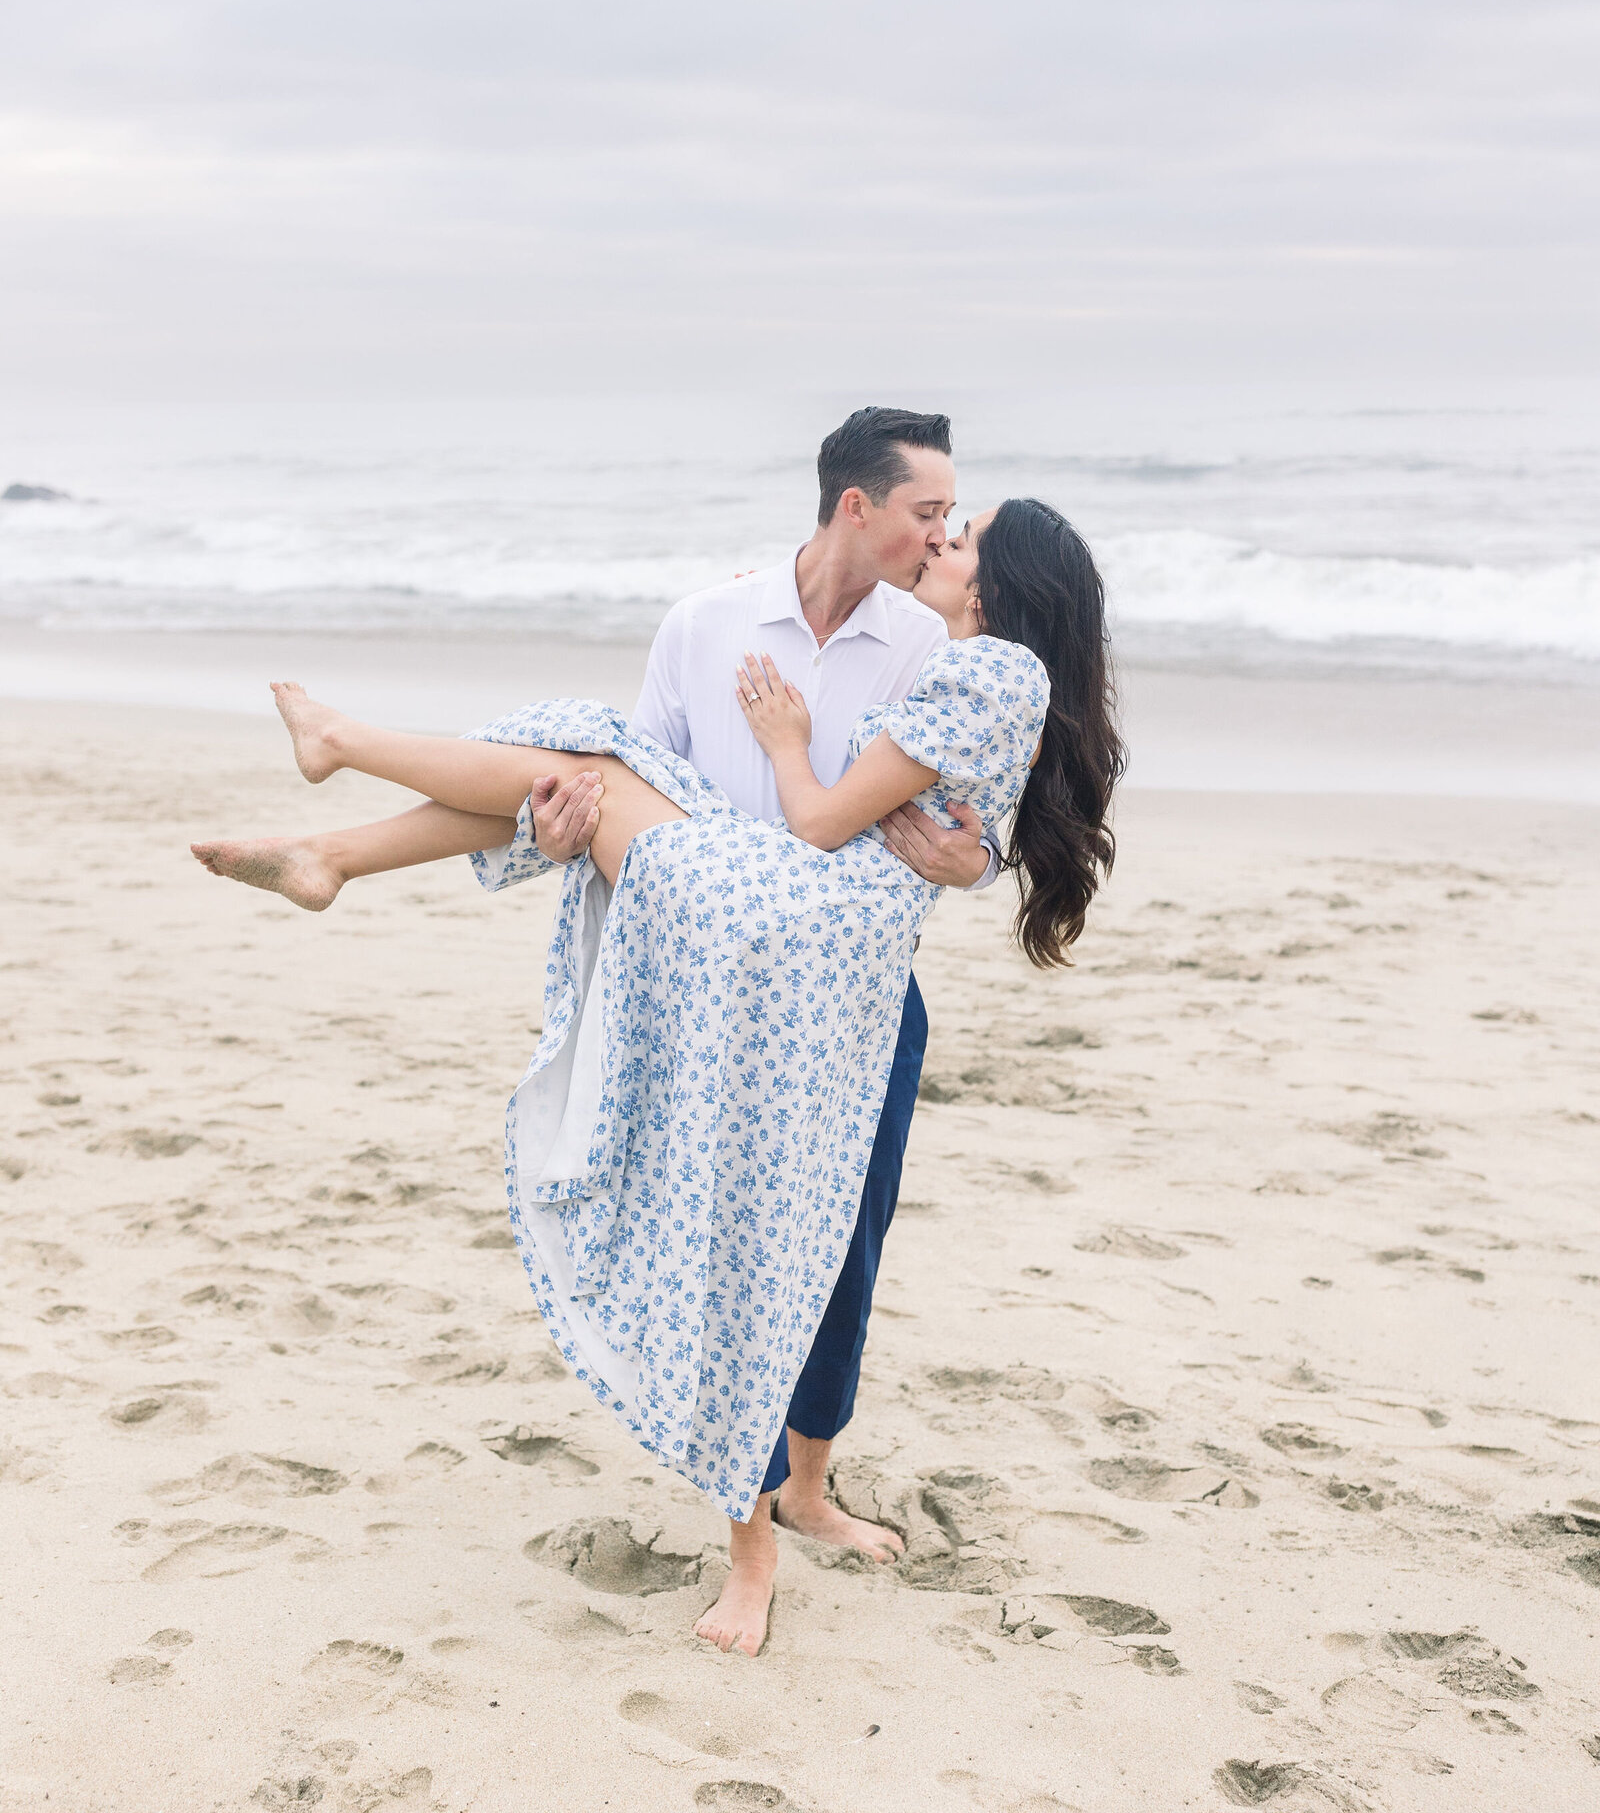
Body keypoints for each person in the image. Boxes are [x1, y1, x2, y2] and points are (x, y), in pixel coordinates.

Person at [192, 480, 1124, 1659]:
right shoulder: (713, 626)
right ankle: (332, 838)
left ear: (994, 582)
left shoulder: (955, 657)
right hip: (762, 932)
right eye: (931, 510)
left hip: (791, 942)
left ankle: (342, 780)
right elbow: (691, 788)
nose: (942, 535)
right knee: (582, 766)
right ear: (857, 503)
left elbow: (880, 824)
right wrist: (576, 832)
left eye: (963, 528)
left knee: (829, 1247)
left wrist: (868, 792)